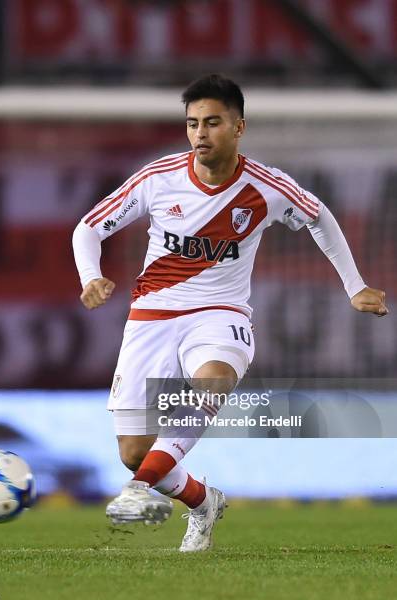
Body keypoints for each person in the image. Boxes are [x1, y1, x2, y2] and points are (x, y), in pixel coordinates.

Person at [72, 74, 388, 553]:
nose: (200, 133)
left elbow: (320, 217)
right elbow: (88, 228)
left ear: (239, 127)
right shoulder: (158, 179)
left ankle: (139, 493)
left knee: (213, 379)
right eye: (192, 123)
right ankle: (203, 502)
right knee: (135, 453)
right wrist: (89, 277)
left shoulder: (267, 186)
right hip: (151, 318)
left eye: (212, 122)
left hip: (220, 314)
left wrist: (355, 286)